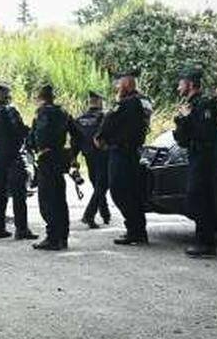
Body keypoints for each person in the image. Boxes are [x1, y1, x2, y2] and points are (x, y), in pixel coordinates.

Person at [0, 83, 38, 240]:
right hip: (12, 157)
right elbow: (19, 131)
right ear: (7, 95)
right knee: (19, 194)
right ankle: (21, 229)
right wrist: (32, 133)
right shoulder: (9, 110)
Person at [95, 70, 151, 246]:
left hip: (121, 152)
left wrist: (100, 137)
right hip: (133, 152)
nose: (117, 87)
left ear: (126, 84)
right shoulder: (143, 101)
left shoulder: (127, 103)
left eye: (119, 83)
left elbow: (109, 121)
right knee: (132, 193)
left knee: (119, 191)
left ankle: (134, 230)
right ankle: (138, 231)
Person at [174, 68, 217, 258]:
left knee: (200, 198)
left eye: (181, 83)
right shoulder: (191, 105)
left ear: (190, 84)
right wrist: (182, 121)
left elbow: (207, 131)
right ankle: (203, 241)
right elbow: (183, 136)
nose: (178, 87)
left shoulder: (206, 104)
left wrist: (187, 119)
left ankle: (206, 244)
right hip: (194, 154)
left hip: (204, 155)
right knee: (196, 197)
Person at [26, 85, 83, 251]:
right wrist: (72, 154)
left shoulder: (42, 113)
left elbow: (36, 137)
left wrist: (33, 147)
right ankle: (63, 237)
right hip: (60, 158)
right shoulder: (63, 113)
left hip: (46, 158)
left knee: (47, 200)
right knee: (60, 199)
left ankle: (52, 238)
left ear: (40, 98)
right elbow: (78, 135)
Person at [75, 91, 112, 229]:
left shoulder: (79, 119)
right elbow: (107, 134)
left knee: (97, 185)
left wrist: (74, 158)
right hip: (102, 155)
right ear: (100, 102)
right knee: (102, 185)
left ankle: (105, 213)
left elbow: (75, 140)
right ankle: (89, 215)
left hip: (87, 156)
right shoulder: (103, 117)